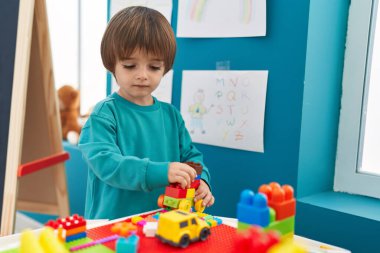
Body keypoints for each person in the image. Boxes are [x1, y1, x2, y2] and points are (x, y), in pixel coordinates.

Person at [78, 6, 214, 219]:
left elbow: (191, 158)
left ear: (165, 68)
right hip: (112, 225)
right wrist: (162, 172)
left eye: (153, 67)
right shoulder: (104, 114)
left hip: (163, 221)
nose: (142, 75)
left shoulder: (171, 116)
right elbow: (107, 164)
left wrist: (201, 179)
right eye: (130, 65)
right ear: (111, 64)